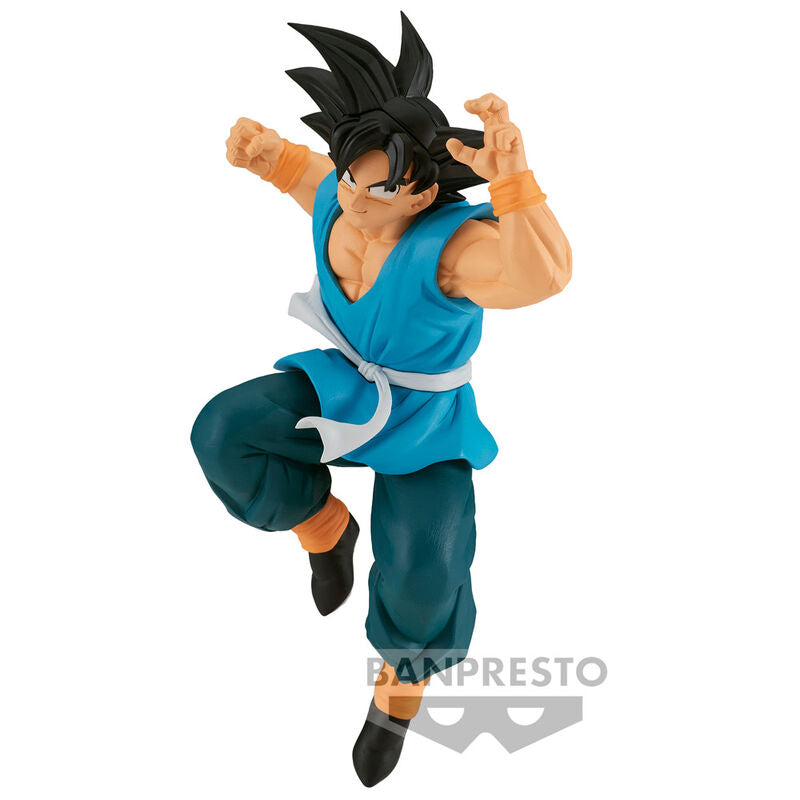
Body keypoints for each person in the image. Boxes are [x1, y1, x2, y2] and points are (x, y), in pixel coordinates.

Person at [191, 14, 571, 787]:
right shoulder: (343, 198)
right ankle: (324, 527)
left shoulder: (454, 248)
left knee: (427, 564)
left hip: (425, 418)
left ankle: (399, 692)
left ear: (424, 189)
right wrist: (265, 155)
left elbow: (542, 276)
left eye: (382, 189)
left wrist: (514, 183)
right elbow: (303, 174)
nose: (358, 202)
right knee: (226, 429)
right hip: (345, 384)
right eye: (352, 179)